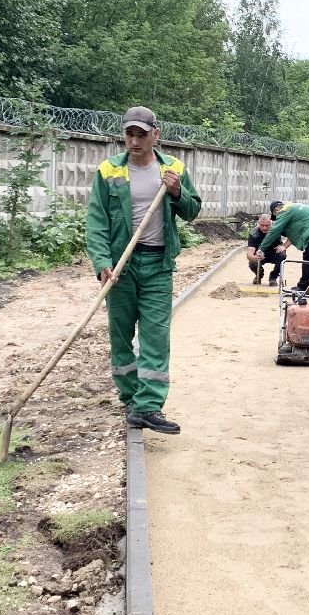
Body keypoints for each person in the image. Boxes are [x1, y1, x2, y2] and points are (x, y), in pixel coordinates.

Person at [85, 105, 202, 435]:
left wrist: (177, 191)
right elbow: (96, 221)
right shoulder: (109, 171)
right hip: (120, 265)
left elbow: (192, 210)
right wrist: (102, 262)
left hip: (157, 265)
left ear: (155, 134)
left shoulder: (173, 168)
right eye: (129, 134)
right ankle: (130, 397)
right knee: (120, 333)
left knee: (155, 334)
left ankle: (149, 405)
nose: (134, 141)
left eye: (141, 134)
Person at [259, 199, 309, 291]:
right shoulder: (292, 208)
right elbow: (294, 230)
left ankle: (302, 287)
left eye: (276, 217)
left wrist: (262, 248)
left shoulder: (284, 211)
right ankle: (307, 286)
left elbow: (274, 230)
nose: (277, 219)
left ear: (276, 210)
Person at [245, 213, 289, 286]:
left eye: (267, 225)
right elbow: (249, 253)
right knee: (252, 263)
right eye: (262, 225)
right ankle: (259, 275)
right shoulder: (254, 233)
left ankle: (273, 277)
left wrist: (284, 246)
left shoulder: (278, 227)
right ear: (258, 223)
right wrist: (254, 258)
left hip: (275, 253)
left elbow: (293, 235)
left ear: (271, 223)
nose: (264, 228)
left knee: (282, 255)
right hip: (260, 254)